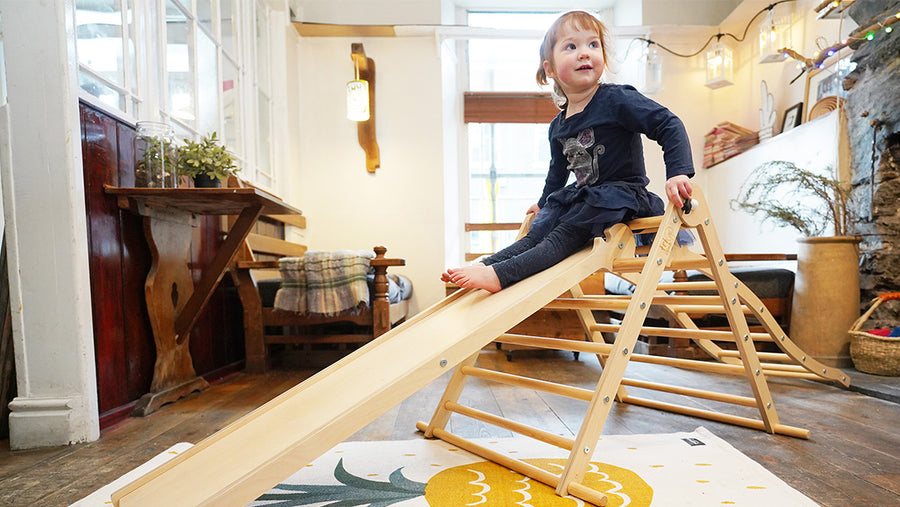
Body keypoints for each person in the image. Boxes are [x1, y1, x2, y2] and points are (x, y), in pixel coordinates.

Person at [443, 10, 694, 293]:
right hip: (586, 198)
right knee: (536, 234)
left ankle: (500, 276)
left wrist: (677, 172)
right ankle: (488, 264)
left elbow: (668, 124)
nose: (584, 53)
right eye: (571, 47)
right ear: (550, 69)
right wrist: (542, 203)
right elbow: (557, 171)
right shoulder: (558, 125)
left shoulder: (616, 99)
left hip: (619, 195)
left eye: (593, 44)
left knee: (560, 237)